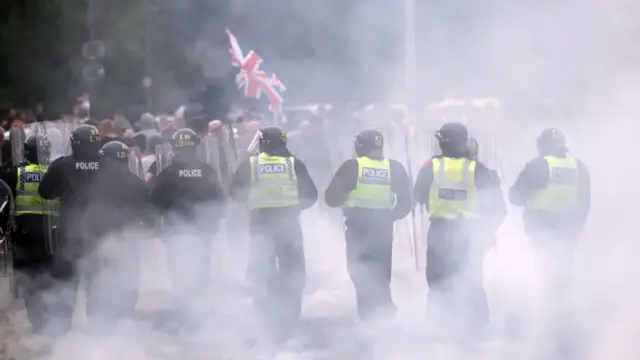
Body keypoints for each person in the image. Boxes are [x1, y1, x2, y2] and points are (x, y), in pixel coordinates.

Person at [414, 123, 505, 339]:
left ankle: (439, 326)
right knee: (470, 279)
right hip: (470, 234)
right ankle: (476, 328)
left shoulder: (431, 166)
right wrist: (486, 230)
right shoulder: (479, 169)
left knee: (438, 281)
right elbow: (498, 209)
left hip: (439, 230)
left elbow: (418, 195)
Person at [229, 126, 317, 342]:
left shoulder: (250, 165)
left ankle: (265, 317)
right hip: (289, 224)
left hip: (260, 225)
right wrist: (293, 205)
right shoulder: (294, 163)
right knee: (293, 271)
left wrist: (253, 202)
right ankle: (290, 318)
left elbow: (234, 194)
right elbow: (311, 196)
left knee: (261, 271)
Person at [324, 128, 412, 322]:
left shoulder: (351, 167)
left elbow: (330, 198)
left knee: (361, 274)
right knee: (381, 275)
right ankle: (384, 315)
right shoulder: (394, 167)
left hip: (358, 229)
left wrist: (347, 200)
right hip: (384, 229)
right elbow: (407, 202)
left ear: (359, 146)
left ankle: (371, 318)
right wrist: (390, 216)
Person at [149, 128, 227, 332]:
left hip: (176, 232)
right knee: (200, 270)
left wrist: (157, 228)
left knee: (179, 272)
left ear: (175, 149)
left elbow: (155, 203)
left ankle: (186, 314)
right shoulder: (208, 171)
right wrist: (214, 225)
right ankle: (199, 315)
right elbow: (220, 200)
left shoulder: (167, 173)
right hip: (202, 231)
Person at [508, 128, 590, 308]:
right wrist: (577, 225)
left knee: (546, 268)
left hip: (541, 227)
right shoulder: (578, 167)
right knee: (565, 268)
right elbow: (584, 201)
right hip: (568, 229)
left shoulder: (538, 166)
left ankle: (549, 311)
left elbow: (515, 196)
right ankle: (566, 310)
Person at [80, 141, 153, 331]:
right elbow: (147, 214)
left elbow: (81, 211)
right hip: (128, 241)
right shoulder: (136, 182)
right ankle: (125, 318)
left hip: (97, 241)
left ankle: (97, 321)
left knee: (96, 280)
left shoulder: (90, 182)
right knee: (128, 279)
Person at [38, 124, 103, 334]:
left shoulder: (63, 165)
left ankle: (62, 328)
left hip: (70, 234)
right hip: (100, 235)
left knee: (66, 281)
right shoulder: (108, 165)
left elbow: (45, 192)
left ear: (74, 143)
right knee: (98, 281)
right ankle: (100, 326)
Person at [0, 135, 59, 333]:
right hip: (52, 234)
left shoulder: (16, 172)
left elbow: (5, 199)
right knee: (51, 277)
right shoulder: (55, 171)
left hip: (24, 234)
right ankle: (53, 320)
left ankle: (38, 322)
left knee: (28, 280)